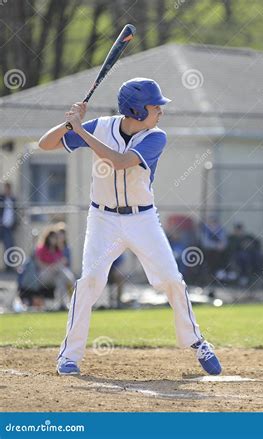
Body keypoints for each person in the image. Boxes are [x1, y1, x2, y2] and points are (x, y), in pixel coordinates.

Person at [38, 77, 221, 376]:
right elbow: (46, 144)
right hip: (103, 219)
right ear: (136, 111)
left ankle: (196, 341)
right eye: (155, 106)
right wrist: (69, 124)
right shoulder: (100, 126)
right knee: (90, 282)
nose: (161, 111)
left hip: (142, 219)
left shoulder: (156, 137)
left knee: (171, 280)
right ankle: (69, 356)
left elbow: (120, 161)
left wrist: (82, 130)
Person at [35, 230, 75, 310]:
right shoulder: (41, 249)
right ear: (48, 238)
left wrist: (58, 265)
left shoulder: (58, 250)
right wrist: (53, 267)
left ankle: (61, 304)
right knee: (60, 269)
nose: (54, 239)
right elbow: (39, 264)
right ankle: (72, 281)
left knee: (60, 280)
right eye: (52, 237)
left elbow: (62, 262)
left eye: (55, 238)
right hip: (44, 275)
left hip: (56, 275)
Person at [200, 215, 228, 282]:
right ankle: (211, 276)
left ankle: (221, 274)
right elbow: (205, 243)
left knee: (225, 254)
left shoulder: (221, 230)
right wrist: (216, 246)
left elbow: (224, 241)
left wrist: (222, 245)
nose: (213, 224)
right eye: (212, 222)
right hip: (207, 251)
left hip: (220, 251)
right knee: (212, 256)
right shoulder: (205, 230)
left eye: (215, 222)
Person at [0, 182, 17, 272]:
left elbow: (16, 213)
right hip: (1, 226)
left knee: (9, 247)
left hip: (8, 227)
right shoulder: (1, 198)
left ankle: (8, 267)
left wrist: (15, 224)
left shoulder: (13, 200)